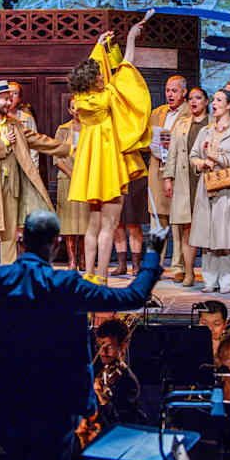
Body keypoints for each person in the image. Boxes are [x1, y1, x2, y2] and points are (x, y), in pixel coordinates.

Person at [0, 207, 167, 460]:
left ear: (21, 240)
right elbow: (133, 296)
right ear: (57, 243)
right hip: (58, 403)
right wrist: (154, 250)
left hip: (6, 401)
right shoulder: (68, 286)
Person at [68, 19, 152, 283]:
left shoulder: (80, 99)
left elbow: (93, 65)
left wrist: (99, 45)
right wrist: (130, 39)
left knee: (93, 225)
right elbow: (126, 68)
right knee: (109, 225)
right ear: (93, 81)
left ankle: (90, 274)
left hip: (92, 165)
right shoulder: (107, 97)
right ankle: (102, 277)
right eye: (100, 76)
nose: (104, 76)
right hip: (109, 164)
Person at [0, 80, 69, 271]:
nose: (9, 102)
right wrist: (3, 143)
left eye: (10, 97)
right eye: (5, 99)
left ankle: (9, 280)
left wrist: (67, 149)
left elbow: (38, 140)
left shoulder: (14, 124)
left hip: (10, 188)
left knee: (9, 239)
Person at [189, 89, 230, 293]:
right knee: (208, 234)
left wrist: (215, 156)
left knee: (227, 235)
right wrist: (202, 163)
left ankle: (228, 281)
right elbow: (193, 155)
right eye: (213, 100)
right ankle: (210, 280)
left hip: (226, 188)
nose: (214, 103)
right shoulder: (206, 131)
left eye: (219, 100)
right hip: (207, 186)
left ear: (229, 105)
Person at [163, 87, 211, 287]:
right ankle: (189, 271)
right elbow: (172, 153)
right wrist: (168, 177)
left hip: (207, 180)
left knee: (208, 228)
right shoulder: (182, 124)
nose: (194, 102)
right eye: (191, 98)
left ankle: (210, 274)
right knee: (187, 227)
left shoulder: (213, 123)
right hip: (186, 180)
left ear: (206, 101)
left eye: (198, 98)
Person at [148, 75, 190, 279]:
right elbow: (147, 137)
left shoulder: (190, 112)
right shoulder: (158, 112)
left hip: (178, 172)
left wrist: (172, 143)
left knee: (178, 220)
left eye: (174, 90)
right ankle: (154, 264)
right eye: (167, 90)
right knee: (157, 218)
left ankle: (178, 266)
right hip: (157, 168)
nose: (170, 94)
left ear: (184, 92)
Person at [9, 81, 50, 236]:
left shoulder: (27, 119)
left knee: (25, 211)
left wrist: (33, 171)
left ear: (19, 98)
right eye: (8, 93)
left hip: (24, 169)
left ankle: (23, 246)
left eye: (15, 93)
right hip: (6, 170)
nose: (11, 96)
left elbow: (34, 148)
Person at [54, 104, 89, 271]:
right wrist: (72, 174)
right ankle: (72, 260)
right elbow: (57, 158)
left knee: (85, 221)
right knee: (69, 222)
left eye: (80, 106)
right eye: (74, 108)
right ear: (69, 110)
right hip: (67, 179)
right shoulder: (63, 130)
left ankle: (84, 259)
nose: (77, 110)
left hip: (88, 179)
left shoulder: (92, 128)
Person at [91, 319, 142, 426]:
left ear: (122, 346)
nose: (102, 352)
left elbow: (119, 424)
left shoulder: (128, 383)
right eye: (99, 347)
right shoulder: (99, 369)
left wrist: (104, 400)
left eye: (109, 347)